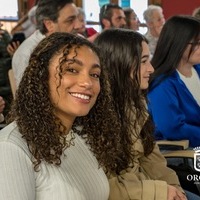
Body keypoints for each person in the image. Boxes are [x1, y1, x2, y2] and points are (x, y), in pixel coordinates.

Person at [0, 32, 121, 199]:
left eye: (94, 75)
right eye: (71, 70)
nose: (87, 83)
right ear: (41, 76)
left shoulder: (76, 139)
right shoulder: (11, 148)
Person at [94, 28, 200, 200]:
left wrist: (174, 187)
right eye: (143, 61)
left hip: (150, 186)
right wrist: (160, 191)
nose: (151, 68)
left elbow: (151, 157)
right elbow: (108, 188)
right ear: (120, 63)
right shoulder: (98, 116)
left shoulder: (134, 102)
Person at [148, 15, 200, 148]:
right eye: (197, 43)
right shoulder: (162, 83)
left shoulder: (198, 69)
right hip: (180, 156)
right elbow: (172, 128)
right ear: (178, 43)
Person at [12, 0, 82, 87]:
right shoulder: (27, 53)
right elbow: (28, 96)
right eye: (70, 20)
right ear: (49, 25)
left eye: (77, 18)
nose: (78, 25)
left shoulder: (78, 40)